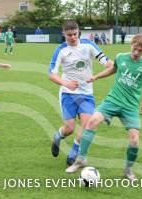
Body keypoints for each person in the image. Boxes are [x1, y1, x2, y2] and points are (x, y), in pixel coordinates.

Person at [66, 34, 142, 181]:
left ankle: (128, 170)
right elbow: (112, 70)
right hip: (113, 100)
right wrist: (96, 77)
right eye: (135, 48)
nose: (136, 52)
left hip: (130, 107)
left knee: (134, 141)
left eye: (140, 50)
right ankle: (81, 160)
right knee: (92, 122)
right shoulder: (120, 57)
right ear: (131, 44)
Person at [48, 20, 113, 165]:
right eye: (69, 35)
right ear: (63, 34)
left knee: (87, 125)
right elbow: (52, 74)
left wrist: (115, 64)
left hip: (86, 94)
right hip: (67, 94)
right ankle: (58, 136)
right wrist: (66, 83)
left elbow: (106, 61)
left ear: (79, 32)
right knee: (69, 128)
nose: (72, 37)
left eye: (75, 34)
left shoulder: (88, 45)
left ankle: (73, 154)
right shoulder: (60, 50)